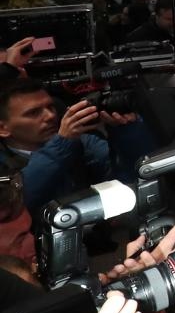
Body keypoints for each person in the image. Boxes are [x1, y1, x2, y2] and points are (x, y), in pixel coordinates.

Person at [0, 79, 119, 215]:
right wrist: (62, 144)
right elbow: (17, 202)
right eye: (33, 113)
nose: (50, 116)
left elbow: (129, 174)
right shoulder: (66, 143)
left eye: (50, 107)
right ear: (3, 128)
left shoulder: (80, 141)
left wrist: (125, 132)